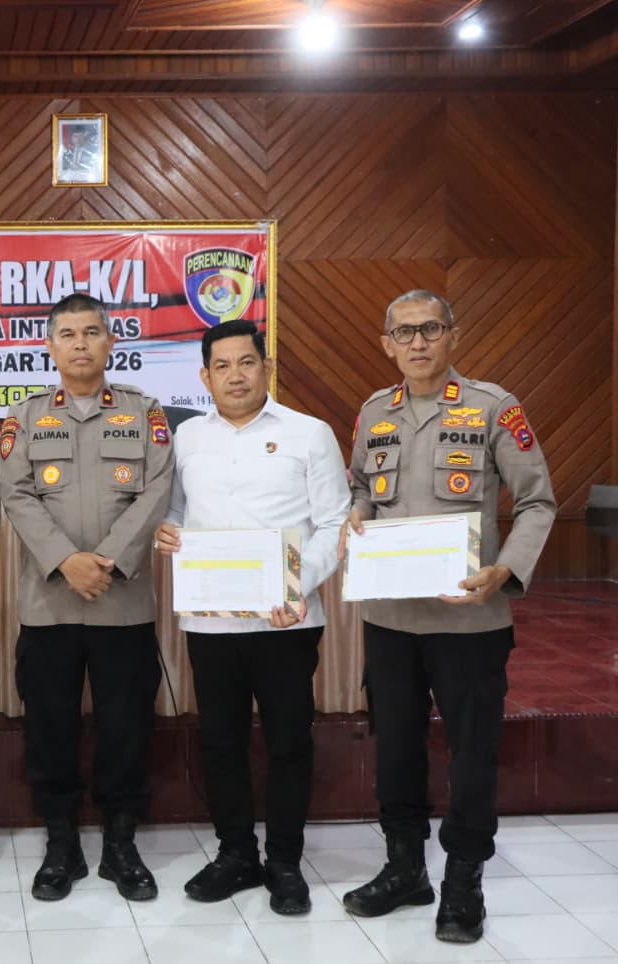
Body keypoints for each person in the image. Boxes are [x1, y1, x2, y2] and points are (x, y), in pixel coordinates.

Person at [339, 290, 556, 943]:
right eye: (404, 332)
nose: (418, 342)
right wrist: (357, 513)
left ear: (452, 335)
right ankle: (405, 869)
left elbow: (539, 501)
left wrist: (505, 570)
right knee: (396, 749)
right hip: (390, 620)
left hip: (470, 622)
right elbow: (359, 487)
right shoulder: (374, 413)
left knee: (472, 755)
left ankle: (464, 881)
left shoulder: (493, 407)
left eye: (430, 329)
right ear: (387, 344)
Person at [153, 320, 349, 915]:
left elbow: (334, 523)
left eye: (246, 362)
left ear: (267, 366)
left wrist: (296, 586)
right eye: (222, 366)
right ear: (204, 376)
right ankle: (235, 853)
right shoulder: (187, 438)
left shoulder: (309, 434)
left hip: (287, 621)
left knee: (289, 741)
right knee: (221, 742)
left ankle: (284, 860)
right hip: (211, 624)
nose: (234, 375)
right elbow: (177, 511)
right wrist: (169, 531)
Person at [0, 292, 173, 902]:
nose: (80, 344)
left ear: (110, 342)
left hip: (123, 602)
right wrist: (66, 561)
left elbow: (157, 489)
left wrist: (109, 560)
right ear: (50, 346)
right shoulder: (24, 416)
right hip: (49, 604)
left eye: (91, 332)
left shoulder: (144, 412)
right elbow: (16, 494)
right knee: (50, 728)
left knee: (127, 727)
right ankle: (61, 844)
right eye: (67, 334)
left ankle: (121, 844)